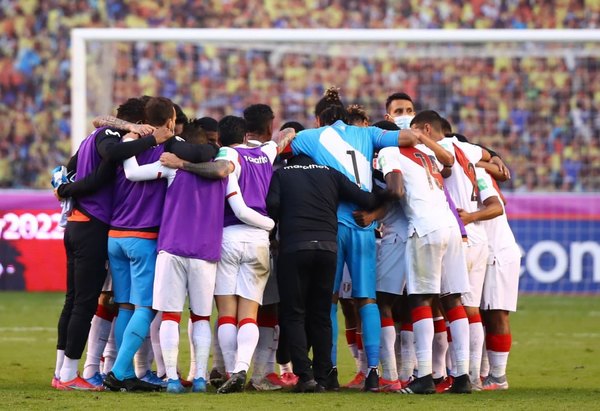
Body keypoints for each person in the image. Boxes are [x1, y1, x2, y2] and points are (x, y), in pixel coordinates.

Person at [290, 87, 420, 392]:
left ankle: (330, 370)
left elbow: (283, 145)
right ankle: (373, 372)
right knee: (367, 300)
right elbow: (408, 138)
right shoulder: (369, 134)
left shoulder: (311, 136)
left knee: (329, 302)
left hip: (331, 225)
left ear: (319, 117)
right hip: (364, 225)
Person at [159, 116, 295, 394]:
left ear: (219, 139)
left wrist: (182, 164)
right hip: (259, 240)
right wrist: (285, 137)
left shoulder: (228, 154)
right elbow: (286, 136)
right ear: (246, 135)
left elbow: (221, 171)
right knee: (249, 313)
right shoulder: (266, 151)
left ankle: (232, 369)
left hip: (230, 235)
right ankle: (242, 369)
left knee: (227, 315)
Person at [52, 98, 172, 391]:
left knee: (74, 300)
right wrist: (151, 138)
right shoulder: (109, 139)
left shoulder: (91, 139)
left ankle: (61, 371)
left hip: (80, 225)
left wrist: (66, 188)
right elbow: (111, 153)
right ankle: (69, 375)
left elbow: (83, 170)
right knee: (84, 302)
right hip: (93, 224)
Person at [266, 153, 390, 392]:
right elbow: (366, 198)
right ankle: (324, 376)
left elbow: (272, 205)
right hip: (327, 248)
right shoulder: (330, 173)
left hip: (294, 248)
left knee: (294, 313)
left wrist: (273, 233)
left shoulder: (282, 174)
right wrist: (390, 193)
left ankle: (305, 375)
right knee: (321, 314)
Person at [376, 111, 473, 395]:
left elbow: (394, 190)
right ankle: (463, 376)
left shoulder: (389, 152)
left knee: (420, 298)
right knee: (452, 298)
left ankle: (424, 376)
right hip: (450, 227)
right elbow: (449, 161)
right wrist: (424, 139)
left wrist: (371, 207)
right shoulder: (425, 154)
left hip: (424, 228)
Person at [102, 97, 182, 392]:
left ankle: (118, 370)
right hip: (143, 238)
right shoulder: (169, 150)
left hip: (116, 236)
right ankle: (120, 373)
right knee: (145, 308)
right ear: (171, 121)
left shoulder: (129, 141)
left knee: (125, 307)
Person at [471, 167, 521, 390]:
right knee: (480, 314)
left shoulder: (478, 173)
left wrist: (469, 217)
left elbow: (497, 207)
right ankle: (484, 374)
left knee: (496, 313)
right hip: (484, 251)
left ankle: (498, 376)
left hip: (497, 252)